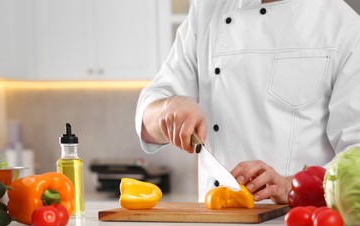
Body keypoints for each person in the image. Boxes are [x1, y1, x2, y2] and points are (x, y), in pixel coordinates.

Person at [135, 0, 360, 204]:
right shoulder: (207, 10)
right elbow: (147, 121)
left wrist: (289, 185)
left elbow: (356, 154)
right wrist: (169, 109)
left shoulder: (344, 26)